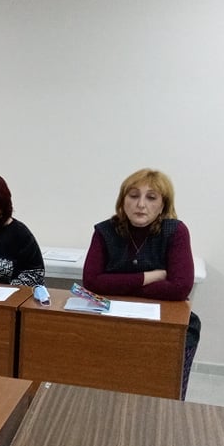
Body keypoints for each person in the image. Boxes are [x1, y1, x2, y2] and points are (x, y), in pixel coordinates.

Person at [82, 168, 199, 398]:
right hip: (113, 318)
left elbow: (180, 287)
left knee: (160, 394)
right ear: (122, 201)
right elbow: (92, 282)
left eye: (151, 197)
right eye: (134, 196)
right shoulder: (105, 231)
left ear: (163, 205)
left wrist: (116, 284)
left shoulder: (175, 231)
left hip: (164, 324)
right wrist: (150, 276)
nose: (141, 204)